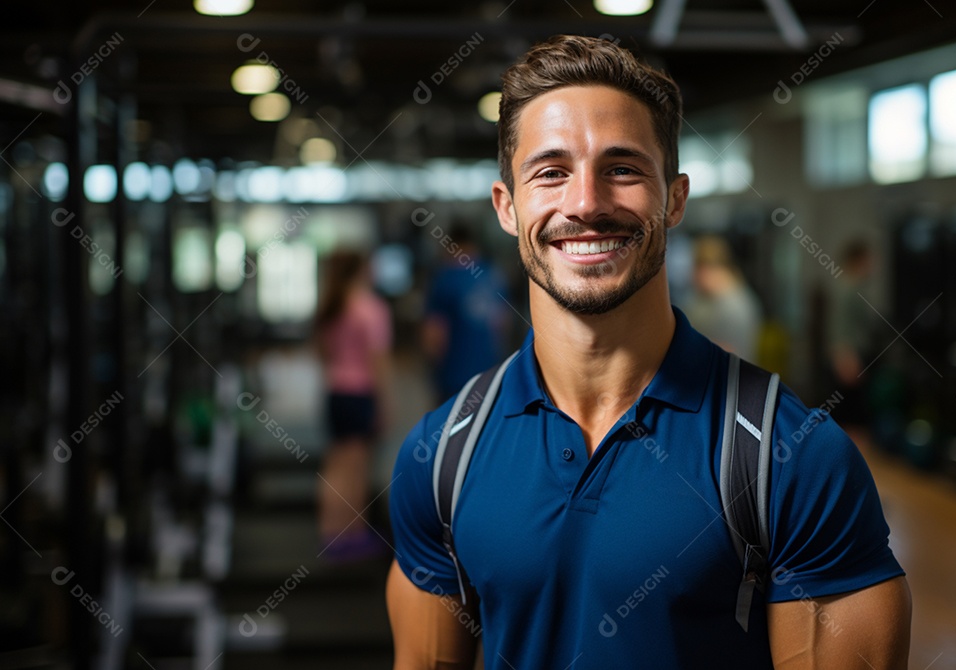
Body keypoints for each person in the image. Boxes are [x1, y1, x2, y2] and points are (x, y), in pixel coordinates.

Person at [386, 35, 910, 669]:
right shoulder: (442, 455)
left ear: (675, 198)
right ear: (507, 206)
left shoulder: (795, 459)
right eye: (550, 172)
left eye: (623, 169)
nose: (586, 203)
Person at [313, 250, 392, 561]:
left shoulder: (332, 306)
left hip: (336, 392)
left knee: (336, 465)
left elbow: (323, 354)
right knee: (357, 468)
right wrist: (384, 403)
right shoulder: (371, 308)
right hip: (361, 394)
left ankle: (330, 532)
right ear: (361, 270)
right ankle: (354, 534)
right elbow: (378, 362)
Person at [421, 222, 511, 403]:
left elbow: (433, 335)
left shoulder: (445, 279)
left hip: (454, 377)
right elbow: (503, 325)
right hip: (489, 374)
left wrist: (431, 369)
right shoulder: (493, 275)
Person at [683, 235, 762, 363]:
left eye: (694, 269)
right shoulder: (706, 299)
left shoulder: (734, 306)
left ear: (705, 269)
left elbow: (729, 353)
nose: (691, 277)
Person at [825, 239, 876, 435]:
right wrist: (844, 358)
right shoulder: (847, 289)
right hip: (849, 360)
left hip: (855, 357)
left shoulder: (853, 287)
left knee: (854, 416)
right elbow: (839, 328)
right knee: (850, 418)